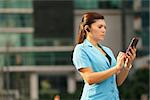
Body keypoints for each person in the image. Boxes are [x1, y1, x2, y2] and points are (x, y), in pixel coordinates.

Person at [72, 12, 136, 100]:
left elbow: (117, 81)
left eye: (105, 27)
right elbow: (89, 78)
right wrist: (116, 68)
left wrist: (127, 65)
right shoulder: (81, 49)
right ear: (87, 28)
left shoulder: (107, 51)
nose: (103, 30)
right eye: (100, 27)